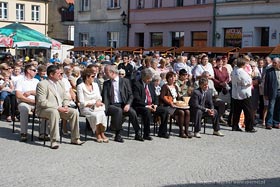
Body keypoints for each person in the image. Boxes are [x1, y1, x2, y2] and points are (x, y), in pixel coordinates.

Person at [36, 65, 84, 149]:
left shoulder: (60, 83)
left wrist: (65, 105)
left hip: (60, 108)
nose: (60, 75)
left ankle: (75, 138)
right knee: (54, 112)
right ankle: (54, 140)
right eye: (58, 73)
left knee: (74, 112)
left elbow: (65, 97)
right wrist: (58, 107)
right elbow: (42, 102)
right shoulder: (42, 84)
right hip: (45, 110)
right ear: (51, 74)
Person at [102, 65, 143, 143]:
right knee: (118, 111)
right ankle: (118, 134)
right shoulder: (106, 83)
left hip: (123, 104)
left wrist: (128, 104)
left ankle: (137, 133)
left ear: (112, 72)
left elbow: (131, 95)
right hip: (112, 105)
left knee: (132, 112)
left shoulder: (125, 81)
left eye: (106, 72)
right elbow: (104, 97)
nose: (105, 74)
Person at [132, 68, 170, 140]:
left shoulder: (150, 84)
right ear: (143, 77)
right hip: (141, 106)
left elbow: (155, 96)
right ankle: (146, 134)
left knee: (165, 110)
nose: (149, 80)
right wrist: (147, 106)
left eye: (150, 78)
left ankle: (162, 132)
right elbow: (137, 99)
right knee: (147, 111)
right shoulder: (137, 85)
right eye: (148, 79)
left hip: (152, 105)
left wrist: (155, 105)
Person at [15, 64, 46, 142]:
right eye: (34, 70)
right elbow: (19, 95)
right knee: (23, 109)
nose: (36, 72)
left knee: (46, 109)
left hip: (37, 103)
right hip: (24, 102)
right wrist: (31, 100)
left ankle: (43, 133)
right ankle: (23, 133)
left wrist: (31, 92)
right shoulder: (20, 81)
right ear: (28, 71)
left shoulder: (36, 81)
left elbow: (41, 93)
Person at [77, 68, 109, 143]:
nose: (94, 78)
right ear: (87, 77)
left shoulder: (95, 85)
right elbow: (82, 102)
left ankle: (102, 133)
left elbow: (99, 97)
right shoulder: (80, 86)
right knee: (96, 115)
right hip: (85, 108)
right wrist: (94, 102)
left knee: (102, 114)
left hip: (96, 107)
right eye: (92, 76)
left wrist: (98, 102)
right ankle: (97, 133)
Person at [160, 71, 193, 138]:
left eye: (173, 77)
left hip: (176, 104)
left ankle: (186, 131)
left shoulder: (175, 86)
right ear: (167, 78)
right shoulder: (165, 86)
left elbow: (178, 97)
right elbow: (162, 97)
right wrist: (169, 103)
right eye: (170, 77)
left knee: (187, 111)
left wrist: (183, 101)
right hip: (169, 106)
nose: (172, 79)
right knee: (181, 112)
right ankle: (181, 131)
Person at [231, 58, 257, 133]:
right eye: (246, 64)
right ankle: (249, 127)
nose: (246, 65)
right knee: (248, 111)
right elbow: (247, 82)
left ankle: (235, 126)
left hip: (236, 93)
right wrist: (251, 79)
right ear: (243, 64)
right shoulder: (242, 72)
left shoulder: (234, 71)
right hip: (244, 93)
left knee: (236, 111)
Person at [264, 57, 280, 129]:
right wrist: (266, 94)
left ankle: (276, 123)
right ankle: (269, 123)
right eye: (273, 62)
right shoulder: (269, 71)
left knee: (278, 108)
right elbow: (266, 83)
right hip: (272, 92)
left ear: (279, 63)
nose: (273, 64)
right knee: (271, 108)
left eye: (275, 63)